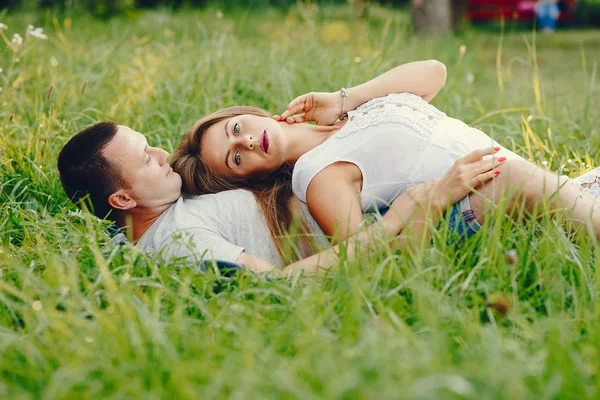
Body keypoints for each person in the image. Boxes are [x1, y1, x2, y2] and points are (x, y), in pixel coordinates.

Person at [172, 60, 600, 245]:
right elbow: (361, 253)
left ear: (250, 115)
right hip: (472, 203)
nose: (245, 141)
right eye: (236, 158)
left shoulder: (340, 113)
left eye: (236, 129)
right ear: (250, 177)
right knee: (519, 178)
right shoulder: (317, 177)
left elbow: (433, 73)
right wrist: (434, 197)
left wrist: (347, 98)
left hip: (510, 173)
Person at [57, 121, 500, 276]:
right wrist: (404, 216)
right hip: (395, 232)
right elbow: (282, 284)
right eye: (145, 159)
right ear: (122, 198)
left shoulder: (142, 226)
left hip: (372, 196)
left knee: (550, 188)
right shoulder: (178, 242)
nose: (160, 154)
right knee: (510, 181)